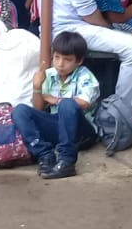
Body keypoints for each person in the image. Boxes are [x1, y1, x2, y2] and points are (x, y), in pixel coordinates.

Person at [12, 31, 101, 180]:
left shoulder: (85, 76)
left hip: (82, 131)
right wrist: (37, 87)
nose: (60, 64)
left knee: (67, 104)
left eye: (67, 59)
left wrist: (54, 99)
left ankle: (66, 161)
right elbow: (38, 108)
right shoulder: (49, 74)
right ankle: (44, 155)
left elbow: (84, 103)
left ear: (78, 61)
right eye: (57, 57)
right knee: (20, 111)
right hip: (59, 126)